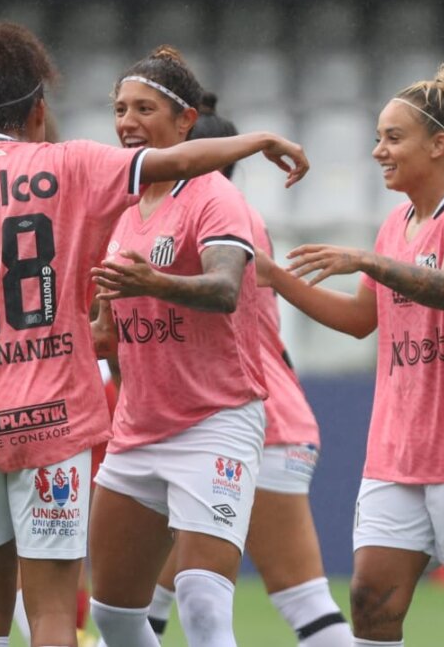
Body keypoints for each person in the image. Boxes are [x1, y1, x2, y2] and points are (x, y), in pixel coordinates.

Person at [0, 22, 307, 647]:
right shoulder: (72, 165)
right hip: (50, 417)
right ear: (40, 108)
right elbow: (178, 161)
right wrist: (257, 138)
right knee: (49, 612)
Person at [259, 62, 444, 647]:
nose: (377, 151)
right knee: (370, 602)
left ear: (439, 145)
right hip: (397, 449)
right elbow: (364, 320)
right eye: (376, 137)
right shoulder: (397, 224)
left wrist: (365, 261)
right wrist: (272, 277)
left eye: (392, 138)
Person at [101, 92, 351, 647]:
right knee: (153, 596)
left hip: (248, 421)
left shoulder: (221, 217)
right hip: (214, 421)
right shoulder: (158, 217)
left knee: (280, 597)